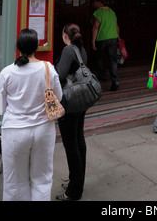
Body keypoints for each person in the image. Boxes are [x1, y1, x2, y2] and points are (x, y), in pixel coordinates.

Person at [0, 28, 62, 201]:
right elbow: (59, 97)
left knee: (14, 182)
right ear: (36, 46)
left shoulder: (7, 73)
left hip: (14, 131)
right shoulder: (48, 69)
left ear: (18, 47)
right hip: (43, 129)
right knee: (42, 178)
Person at [55, 23, 87, 201]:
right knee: (79, 139)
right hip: (81, 101)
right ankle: (78, 182)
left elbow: (60, 75)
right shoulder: (82, 50)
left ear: (65, 36)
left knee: (71, 144)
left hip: (70, 102)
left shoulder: (69, 50)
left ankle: (74, 191)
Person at [91, 0, 120, 91]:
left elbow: (95, 27)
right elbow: (116, 26)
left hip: (102, 38)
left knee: (98, 56)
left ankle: (103, 75)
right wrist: (118, 37)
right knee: (112, 60)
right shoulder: (112, 12)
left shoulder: (98, 12)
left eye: (94, 2)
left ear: (100, 2)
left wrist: (93, 41)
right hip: (113, 38)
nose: (93, 4)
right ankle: (115, 81)